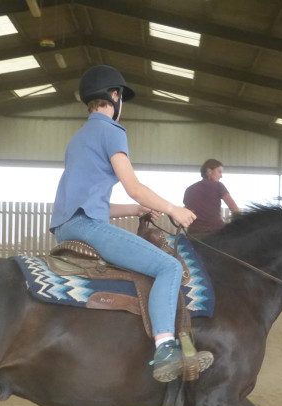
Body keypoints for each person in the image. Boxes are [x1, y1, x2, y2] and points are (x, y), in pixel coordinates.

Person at [50, 65, 213, 383]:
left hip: (68, 227)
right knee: (169, 268)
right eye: (121, 96)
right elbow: (133, 185)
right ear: (114, 96)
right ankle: (166, 350)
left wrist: (136, 209)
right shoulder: (111, 131)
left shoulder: (78, 139)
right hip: (88, 228)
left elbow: (98, 203)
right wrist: (173, 210)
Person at [183, 159, 240, 237]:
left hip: (193, 234)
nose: (221, 176)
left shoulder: (190, 189)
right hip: (215, 233)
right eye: (219, 172)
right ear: (209, 171)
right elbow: (234, 209)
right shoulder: (218, 186)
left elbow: (186, 212)